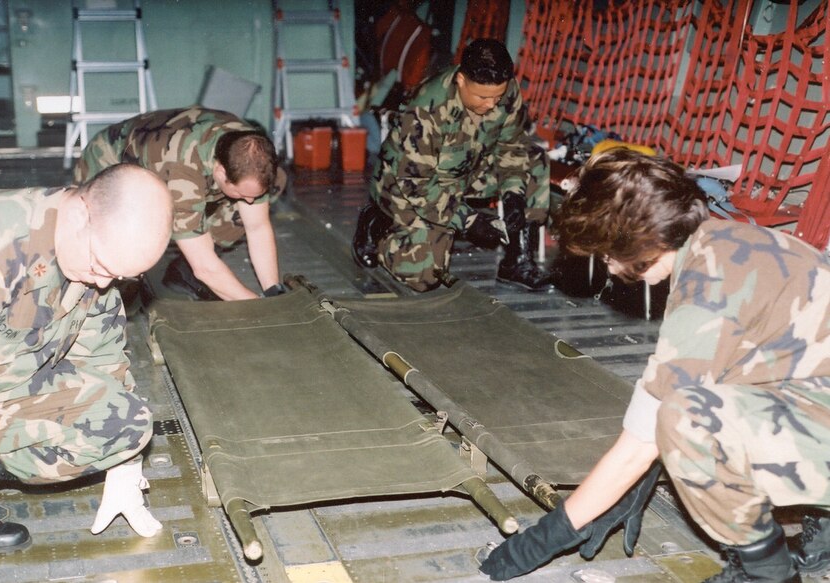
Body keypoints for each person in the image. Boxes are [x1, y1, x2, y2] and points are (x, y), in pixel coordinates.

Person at [478, 148, 830, 582]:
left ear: (636, 241)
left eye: (606, 254)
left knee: (687, 422)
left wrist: (543, 539)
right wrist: (641, 477)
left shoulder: (709, 287)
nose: (608, 266)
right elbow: (709, 373)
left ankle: (768, 574)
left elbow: (647, 437)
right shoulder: (728, 243)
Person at [0, 164, 174, 583]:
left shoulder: (93, 256)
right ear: (82, 211)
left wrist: (125, 463)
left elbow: (101, 355)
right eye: (101, 265)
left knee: (124, 422)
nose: (104, 282)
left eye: (120, 276)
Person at [352, 38, 552, 292]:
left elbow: (511, 145)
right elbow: (418, 187)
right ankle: (377, 224)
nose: (491, 104)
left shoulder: (506, 91)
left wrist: (514, 194)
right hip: (410, 184)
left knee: (535, 158)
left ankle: (518, 260)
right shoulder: (424, 110)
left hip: (468, 170)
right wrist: (468, 220)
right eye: (482, 96)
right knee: (424, 276)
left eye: (497, 97)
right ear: (460, 80)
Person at [74, 106, 286, 301]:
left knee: (259, 195)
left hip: (181, 156)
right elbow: (205, 268)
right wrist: (258, 307)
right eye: (243, 194)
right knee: (118, 246)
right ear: (221, 171)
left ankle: (186, 266)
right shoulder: (181, 175)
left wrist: (274, 291)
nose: (250, 201)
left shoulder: (253, 153)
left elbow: (257, 227)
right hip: (110, 159)